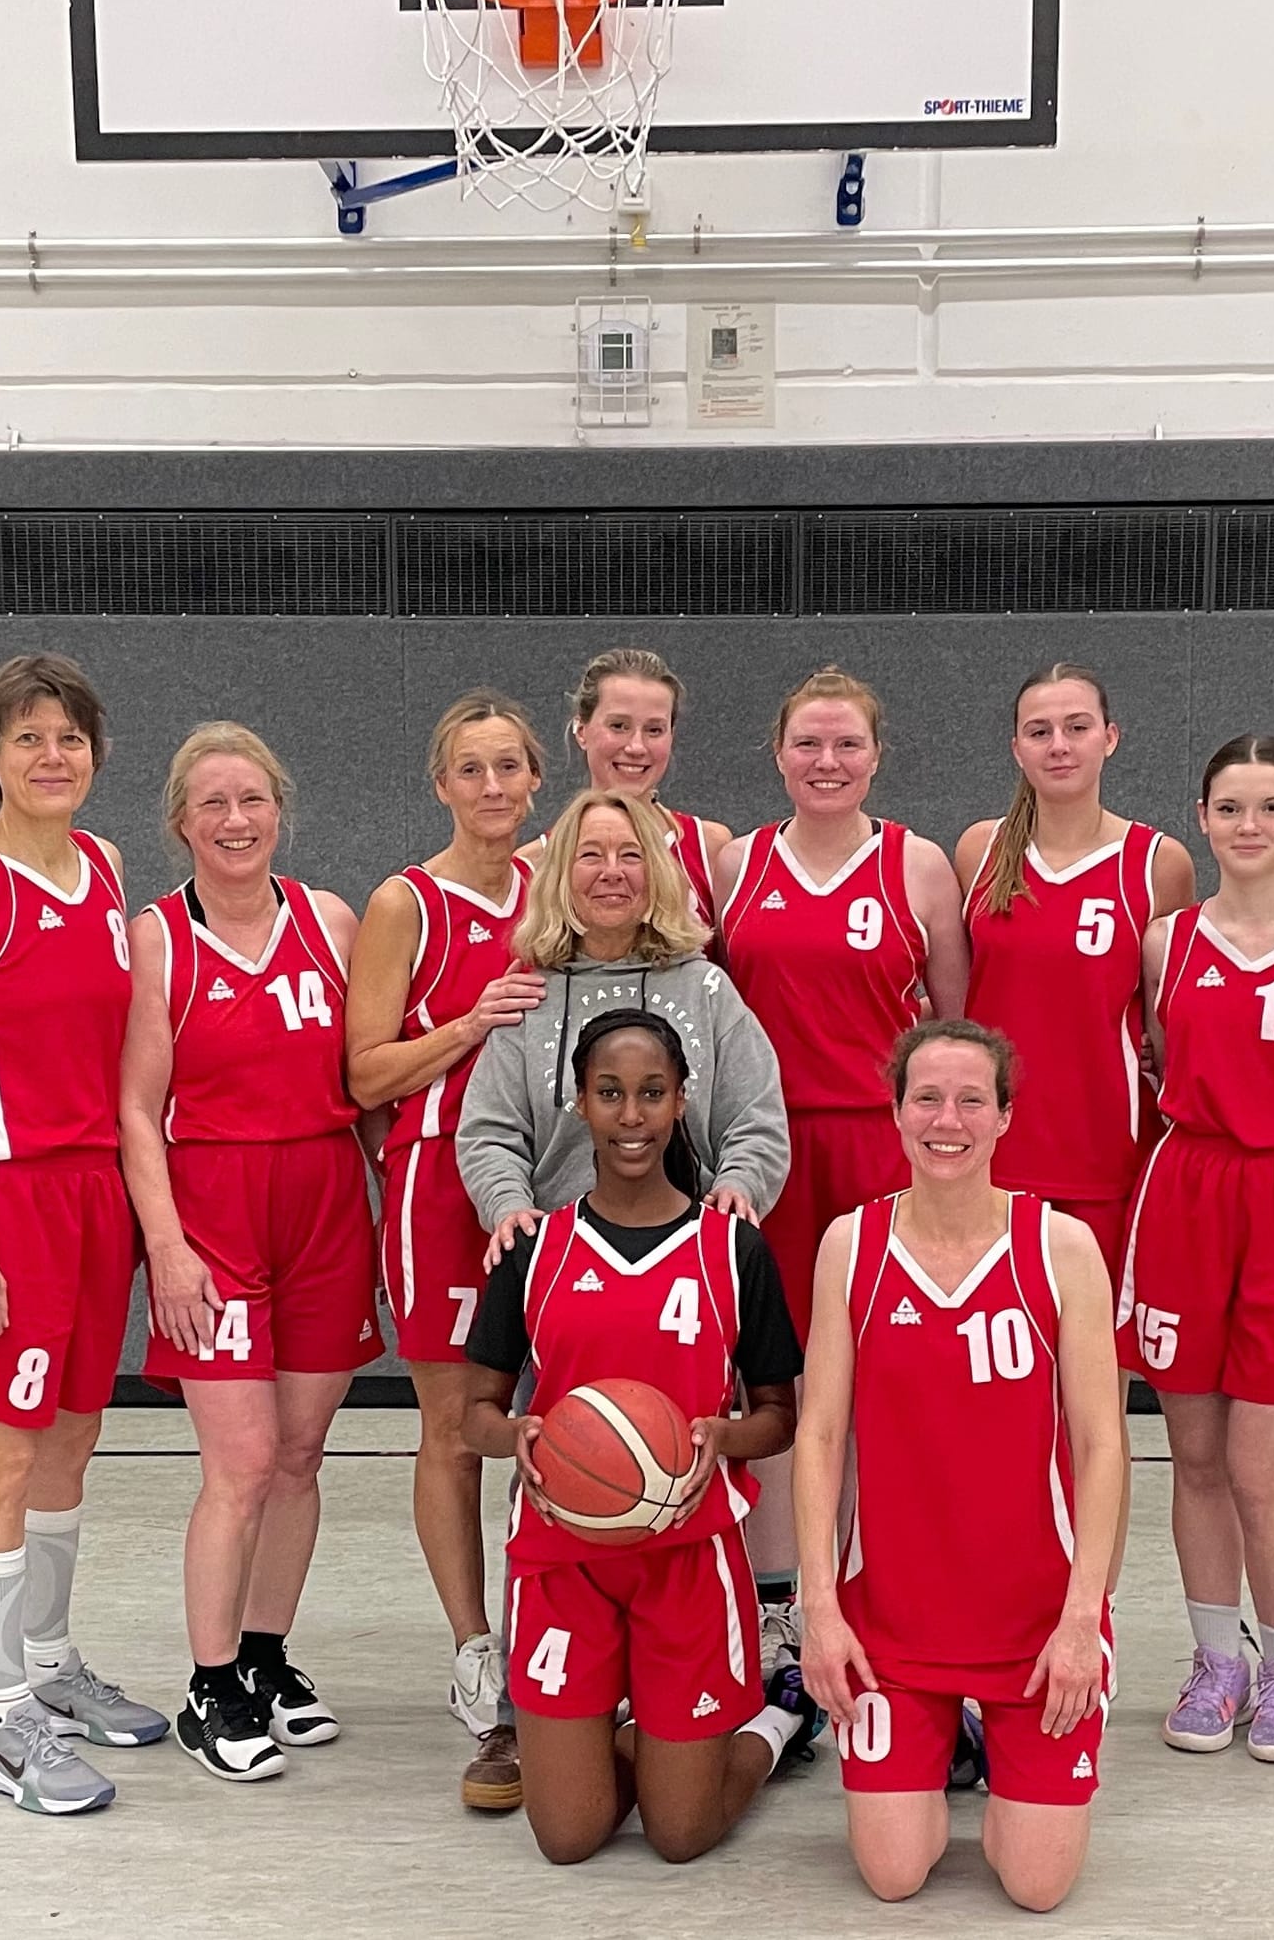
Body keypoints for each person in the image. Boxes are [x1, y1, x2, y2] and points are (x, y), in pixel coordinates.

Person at [0, 652, 167, 1817]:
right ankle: (4, 1719)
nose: (53, 756)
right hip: (1, 1196)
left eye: (71, 738)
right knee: (2, 1453)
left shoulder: (104, 865)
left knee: (71, 1438)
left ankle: (51, 1667)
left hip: (94, 1191)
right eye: (29, 738)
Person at [462, 1010, 822, 1865]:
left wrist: (724, 1436)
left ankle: (776, 1721)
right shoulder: (535, 1248)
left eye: (652, 1093)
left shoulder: (733, 1248)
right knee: (568, 1836)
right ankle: (636, 1746)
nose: (632, 1115)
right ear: (579, 1103)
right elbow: (472, 1413)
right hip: (561, 1557)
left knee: (680, 1833)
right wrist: (519, 1434)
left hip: (688, 1554)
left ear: (681, 1102)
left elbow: (779, 1414)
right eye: (611, 1092)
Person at [795, 1020, 1123, 1913]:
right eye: (928, 1098)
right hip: (892, 1626)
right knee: (894, 1872)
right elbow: (819, 1436)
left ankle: (994, 1740)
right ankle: (943, 1743)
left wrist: (1081, 1619)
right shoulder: (850, 1245)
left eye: (972, 1099)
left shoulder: (1062, 1247)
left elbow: (1102, 1445)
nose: (949, 1120)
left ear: (1006, 1115)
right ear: (897, 1111)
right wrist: (819, 1608)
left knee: (1037, 1884)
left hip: (1034, 1628)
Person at [119, 723, 380, 1783]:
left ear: (280, 809)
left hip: (325, 1201)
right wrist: (167, 1247)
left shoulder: (331, 921)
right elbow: (136, 1111)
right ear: (181, 822)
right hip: (215, 1210)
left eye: (253, 800)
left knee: (301, 1454)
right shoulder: (157, 938)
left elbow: (368, 1081)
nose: (236, 820)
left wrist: (402, 1204)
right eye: (213, 804)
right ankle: (210, 1681)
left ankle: (266, 1655)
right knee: (238, 1463)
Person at [716, 667, 969, 1660]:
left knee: (885, 1382)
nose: (827, 762)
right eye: (808, 744)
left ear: (876, 754)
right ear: (777, 754)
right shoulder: (737, 864)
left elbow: (952, 1035)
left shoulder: (919, 866)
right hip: (764, 1149)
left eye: (846, 744)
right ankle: (780, 1604)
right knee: (773, 1384)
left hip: (876, 1148)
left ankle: (882, 1593)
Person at [1115, 736, 1274, 1766]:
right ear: (1202, 819)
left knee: (1263, 1470)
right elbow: (1156, 1059)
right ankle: (1218, 1662)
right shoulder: (1166, 941)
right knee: (1198, 1459)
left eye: (1268, 805)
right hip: (1187, 1192)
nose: (1247, 825)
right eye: (1228, 807)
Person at [344, 692, 547, 1810]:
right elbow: (362, 1072)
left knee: (562, 1422)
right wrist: (470, 1022)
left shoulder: (556, 888)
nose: (491, 786)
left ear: (535, 779)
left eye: (509, 766)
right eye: (470, 768)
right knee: (456, 1427)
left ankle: (560, 1649)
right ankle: (480, 1664)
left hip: (548, 1180)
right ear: (440, 785)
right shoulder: (404, 902)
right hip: (438, 1183)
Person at [457, 787, 789, 1259]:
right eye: (590, 855)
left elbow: (756, 1119)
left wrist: (740, 1185)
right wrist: (508, 1206)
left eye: (630, 855)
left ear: (655, 873)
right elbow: (490, 1132)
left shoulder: (706, 990)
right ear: (561, 876)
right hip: (560, 1251)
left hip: (693, 1250)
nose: (611, 871)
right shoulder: (530, 997)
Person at [957, 662, 1194, 1286]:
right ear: (1016, 748)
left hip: (1103, 1148)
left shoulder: (1157, 863)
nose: (1058, 745)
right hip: (990, 1144)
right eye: (1039, 731)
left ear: (1109, 738)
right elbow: (957, 1002)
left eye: (1077, 727)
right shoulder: (979, 851)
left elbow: (1170, 1018)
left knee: (1096, 1336)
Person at [519, 648, 728, 928]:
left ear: (671, 735)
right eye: (619, 726)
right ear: (581, 730)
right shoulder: (534, 864)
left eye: (654, 730)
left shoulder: (710, 848)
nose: (636, 747)